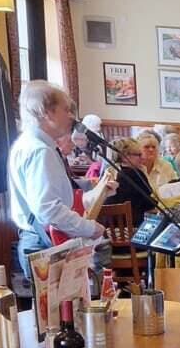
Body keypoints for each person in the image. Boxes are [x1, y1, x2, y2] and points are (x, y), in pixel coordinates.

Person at [9, 82, 112, 277]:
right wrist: (89, 228)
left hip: (38, 240)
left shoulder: (29, 144)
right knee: (57, 308)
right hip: (43, 243)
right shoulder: (40, 151)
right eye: (66, 110)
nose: (71, 116)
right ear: (46, 112)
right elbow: (48, 210)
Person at [104, 137, 157, 228]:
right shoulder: (135, 174)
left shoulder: (118, 173)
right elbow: (148, 203)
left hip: (113, 229)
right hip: (132, 227)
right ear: (125, 157)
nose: (142, 157)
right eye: (138, 155)